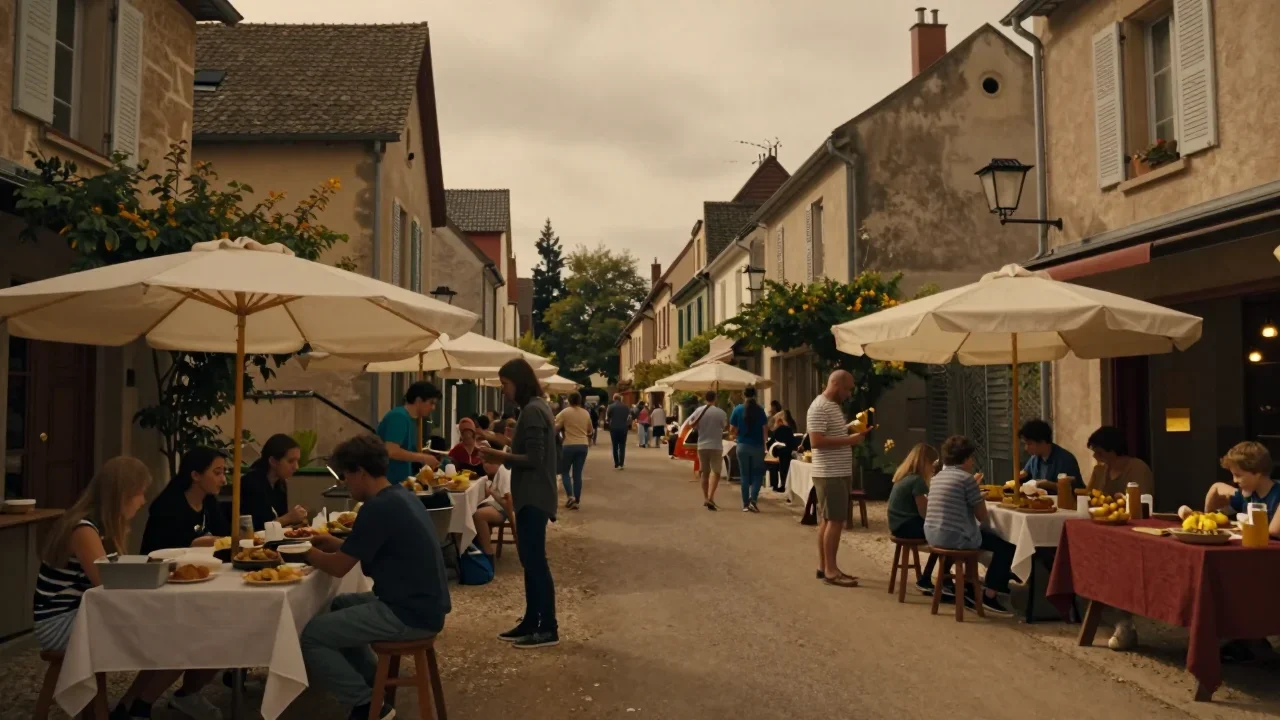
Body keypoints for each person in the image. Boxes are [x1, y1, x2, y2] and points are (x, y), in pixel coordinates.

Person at [300, 435, 450, 720]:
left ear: (360, 471)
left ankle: (366, 705)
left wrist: (304, 552)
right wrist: (331, 541)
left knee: (312, 636)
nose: (345, 482)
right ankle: (370, 680)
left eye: (346, 475)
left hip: (407, 613)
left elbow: (339, 567)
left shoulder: (377, 508)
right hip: (424, 604)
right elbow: (364, 546)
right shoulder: (399, 495)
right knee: (341, 604)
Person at [36, 459, 156, 720]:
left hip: (79, 613)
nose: (143, 501)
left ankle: (119, 707)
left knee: (157, 630)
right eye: (140, 493)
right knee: (156, 633)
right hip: (58, 621)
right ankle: (118, 708)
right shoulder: (84, 529)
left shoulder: (97, 526)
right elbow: (106, 584)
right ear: (123, 494)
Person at [477, 358, 561, 648]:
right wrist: (498, 445)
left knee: (536, 563)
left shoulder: (535, 411)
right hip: (531, 496)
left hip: (534, 497)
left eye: (505, 385)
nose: (503, 391)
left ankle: (547, 627)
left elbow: (535, 459)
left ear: (519, 382)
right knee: (529, 561)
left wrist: (501, 457)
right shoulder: (533, 409)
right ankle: (531, 620)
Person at [923, 435, 1015, 615]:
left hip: (933, 535)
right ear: (965, 459)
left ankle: (971, 585)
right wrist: (980, 501)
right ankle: (990, 594)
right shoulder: (966, 480)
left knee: (985, 538)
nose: (972, 461)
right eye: (971, 458)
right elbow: (982, 517)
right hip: (957, 538)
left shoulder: (937, 477)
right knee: (1006, 546)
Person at [806, 370, 867, 587]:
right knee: (835, 521)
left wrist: (849, 428)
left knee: (828, 520)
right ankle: (831, 571)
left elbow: (828, 433)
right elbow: (816, 441)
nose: (849, 393)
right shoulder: (820, 406)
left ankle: (825, 567)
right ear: (836, 384)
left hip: (836, 471)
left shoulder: (832, 407)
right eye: (847, 388)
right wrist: (849, 440)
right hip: (830, 472)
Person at [140, 447, 231, 554]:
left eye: (224, 472)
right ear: (195, 475)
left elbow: (225, 533)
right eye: (217, 473)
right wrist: (195, 544)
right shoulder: (168, 507)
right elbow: (162, 551)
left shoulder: (209, 501)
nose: (224, 480)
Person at [886, 443, 942, 595]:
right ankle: (933, 579)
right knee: (945, 536)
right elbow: (925, 512)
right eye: (933, 463)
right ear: (925, 462)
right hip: (907, 525)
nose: (934, 468)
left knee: (942, 534)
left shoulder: (904, 477)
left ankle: (930, 577)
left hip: (897, 525)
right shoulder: (917, 481)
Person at [1206, 441, 1280, 534]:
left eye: (1238, 475)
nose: (1234, 480)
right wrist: (1215, 491)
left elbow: (1274, 531)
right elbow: (1216, 489)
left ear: (1258, 472)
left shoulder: (1277, 495)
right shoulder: (1247, 494)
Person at [377, 381, 442, 484]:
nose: (433, 408)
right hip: (388, 483)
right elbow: (391, 451)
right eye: (431, 403)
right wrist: (423, 458)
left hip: (399, 483)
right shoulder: (399, 417)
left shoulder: (410, 419)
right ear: (418, 400)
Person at [241, 433, 308, 531]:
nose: (296, 467)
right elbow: (257, 529)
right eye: (290, 461)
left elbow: (280, 520)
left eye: (297, 461)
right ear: (273, 461)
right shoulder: (251, 483)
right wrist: (289, 518)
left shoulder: (279, 484)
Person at [683, 391, 728, 511]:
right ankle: (711, 496)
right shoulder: (721, 413)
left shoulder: (698, 411)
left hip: (702, 445)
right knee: (716, 472)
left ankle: (705, 498)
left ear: (705, 398)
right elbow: (724, 426)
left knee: (705, 473)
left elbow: (692, 425)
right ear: (715, 398)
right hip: (716, 446)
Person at [729, 387, 769, 513]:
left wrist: (737, 434)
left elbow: (732, 430)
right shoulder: (760, 410)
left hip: (742, 446)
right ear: (755, 395)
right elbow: (765, 430)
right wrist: (765, 445)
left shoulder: (737, 409)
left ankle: (745, 504)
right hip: (757, 446)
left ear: (743, 395)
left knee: (744, 475)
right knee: (757, 474)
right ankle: (754, 501)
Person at [1084, 425, 1153, 496]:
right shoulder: (1099, 471)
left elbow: (1143, 502)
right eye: (1094, 452)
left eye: (1100, 453)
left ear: (1113, 451)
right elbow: (1088, 497)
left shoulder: (1138, 468)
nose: (1095, 456)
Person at [1018, 419, 1083, 493]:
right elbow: (1025, 473)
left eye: (1029, 444)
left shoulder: (1066, 460)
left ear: (1043, 441)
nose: (1026, 448)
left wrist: (1050, 485)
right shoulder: (1034, 459)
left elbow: (1076, 490)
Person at [556, 393, 593, 510]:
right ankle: (577, 500)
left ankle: (570, 496)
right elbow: (590, 430)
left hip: (568, 445)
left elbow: (555, 427)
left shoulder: (564, 412)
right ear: (580, 400)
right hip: (583, 445)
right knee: (577, 474)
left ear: (569, 401)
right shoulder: (586, 413)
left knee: (565, 471)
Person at [473, 459, 513, 559]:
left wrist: (491, 492)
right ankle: (478, 546)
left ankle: (488, 553)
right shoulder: (494, 474)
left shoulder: (504, 473)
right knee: (470, 510)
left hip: (505, 508)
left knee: (478, 515)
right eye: (484, 462)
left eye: (490, 462)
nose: (486, 465)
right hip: (496, 504)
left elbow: (508, 503)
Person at [767, 410, 798, 494]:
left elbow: (770, 443)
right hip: (789, 453)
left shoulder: (779, 430)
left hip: (781, 454)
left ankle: (777, 485)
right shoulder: (789, 429)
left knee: (773, 465)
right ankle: (784, 485)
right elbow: (793, 443)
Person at [606, 394, 631, 469]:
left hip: (614, 428)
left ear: (614, 399)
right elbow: (629, 417)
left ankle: (616, 463)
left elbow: (608, 417)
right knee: (622, 446)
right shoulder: (626, 407)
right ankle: (621, 463)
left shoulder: (611, 406)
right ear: (620, 399)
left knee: (615, 446)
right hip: (623, 428)